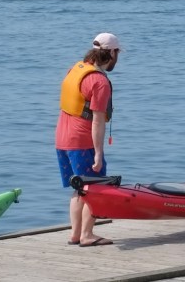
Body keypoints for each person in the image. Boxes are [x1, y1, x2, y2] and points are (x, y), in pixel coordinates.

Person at [55, 32, 121, 247]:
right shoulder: (99, 81)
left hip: (62, 139)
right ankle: (87, 235)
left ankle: (75, 234)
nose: (117, 57)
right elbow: (97, 121)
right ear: (111, 53)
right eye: (117, 52)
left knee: (79, 188)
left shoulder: (76, 69)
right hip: (82, 142)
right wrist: (99, 154)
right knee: (95, 188)